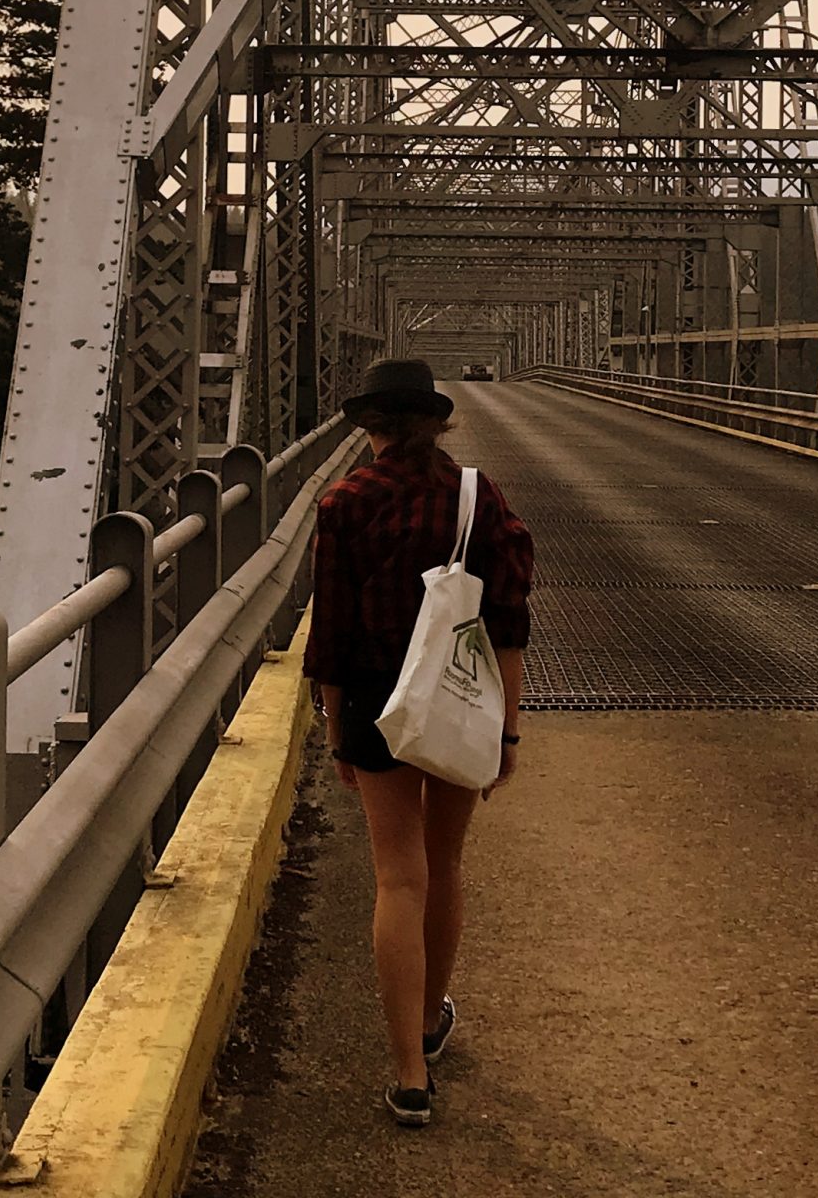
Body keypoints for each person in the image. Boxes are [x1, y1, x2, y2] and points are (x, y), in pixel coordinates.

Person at [303, 358, 535, 1129]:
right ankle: (432, 1021)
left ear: (369, 427)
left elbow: (329, 640)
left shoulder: (344, 504)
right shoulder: (479, 497)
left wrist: (336, 729)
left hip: (376, 704)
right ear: (438, 423)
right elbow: (508, 623)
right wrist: (506, 728)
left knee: (397, 878)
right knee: (446, 864)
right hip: (464, 704)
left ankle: (408, 1074)